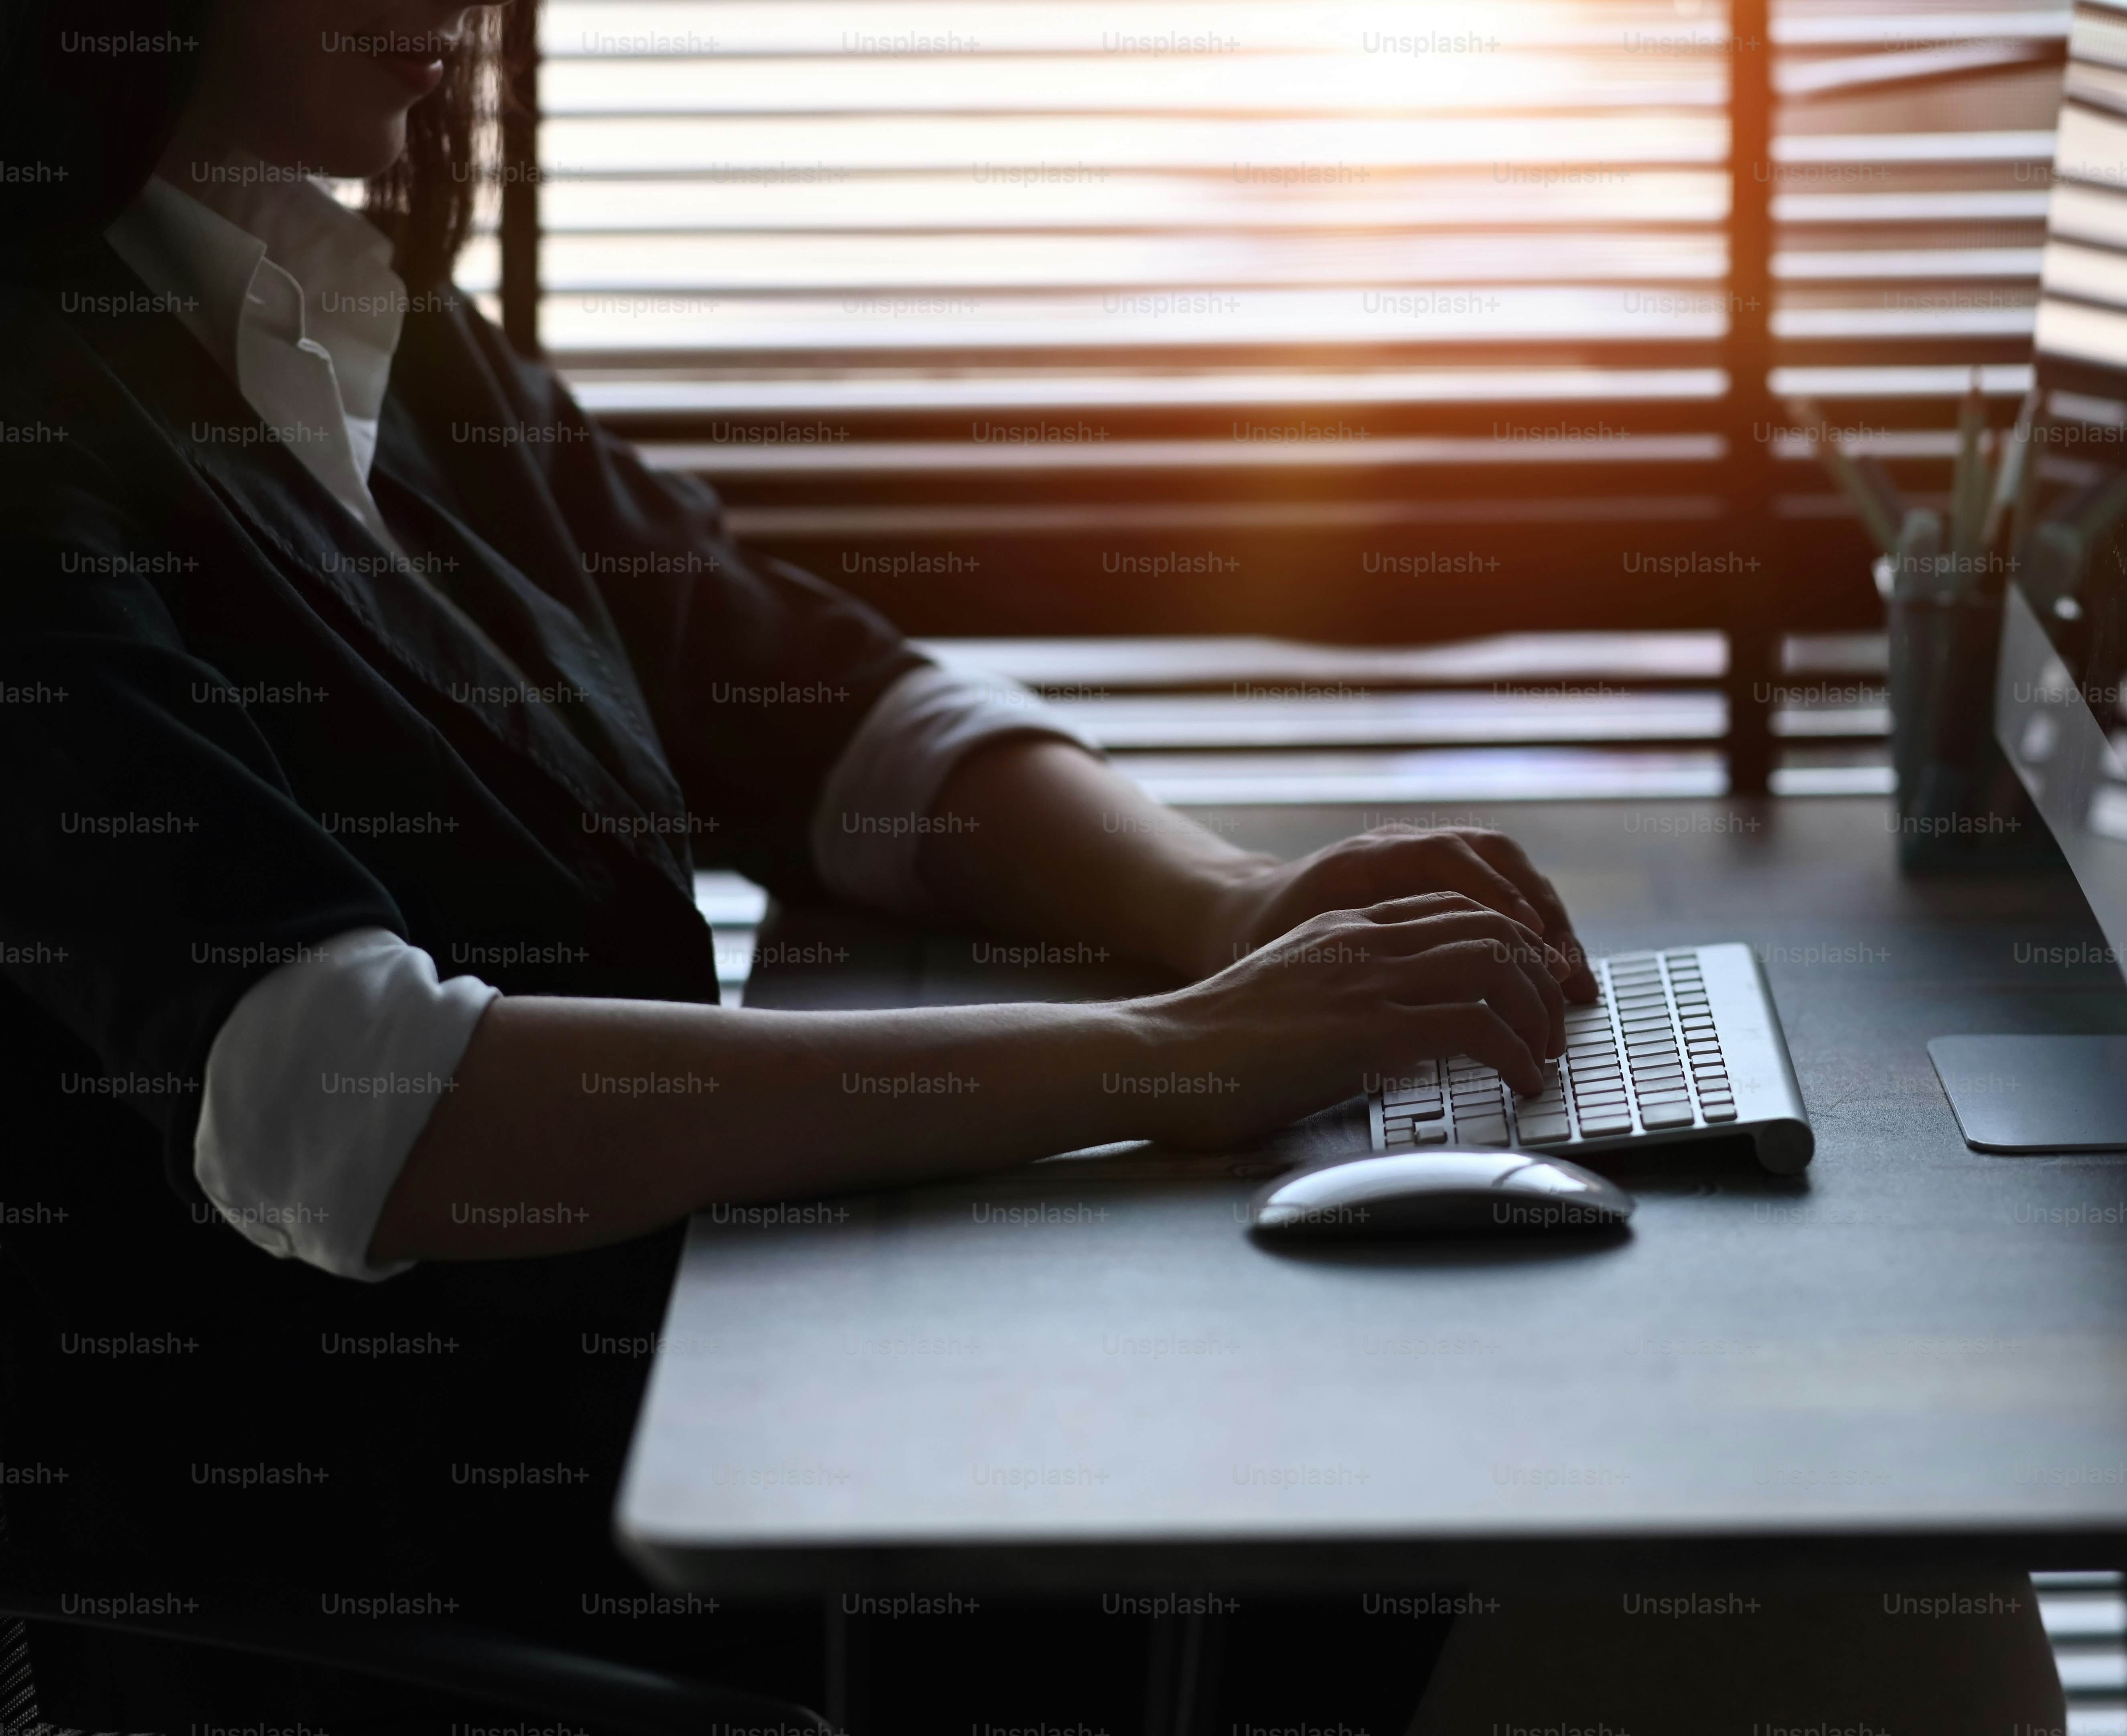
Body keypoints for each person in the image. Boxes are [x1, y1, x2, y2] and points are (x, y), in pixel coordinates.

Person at [0, 1, 1595, 1725]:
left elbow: (829, 710)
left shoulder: (345, 315)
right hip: (433, 1560)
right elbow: (351, 1101)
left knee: (1402, 1447)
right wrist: (1176, 1053)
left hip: (692, 1386)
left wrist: (1221, 903)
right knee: (1351, 1509)